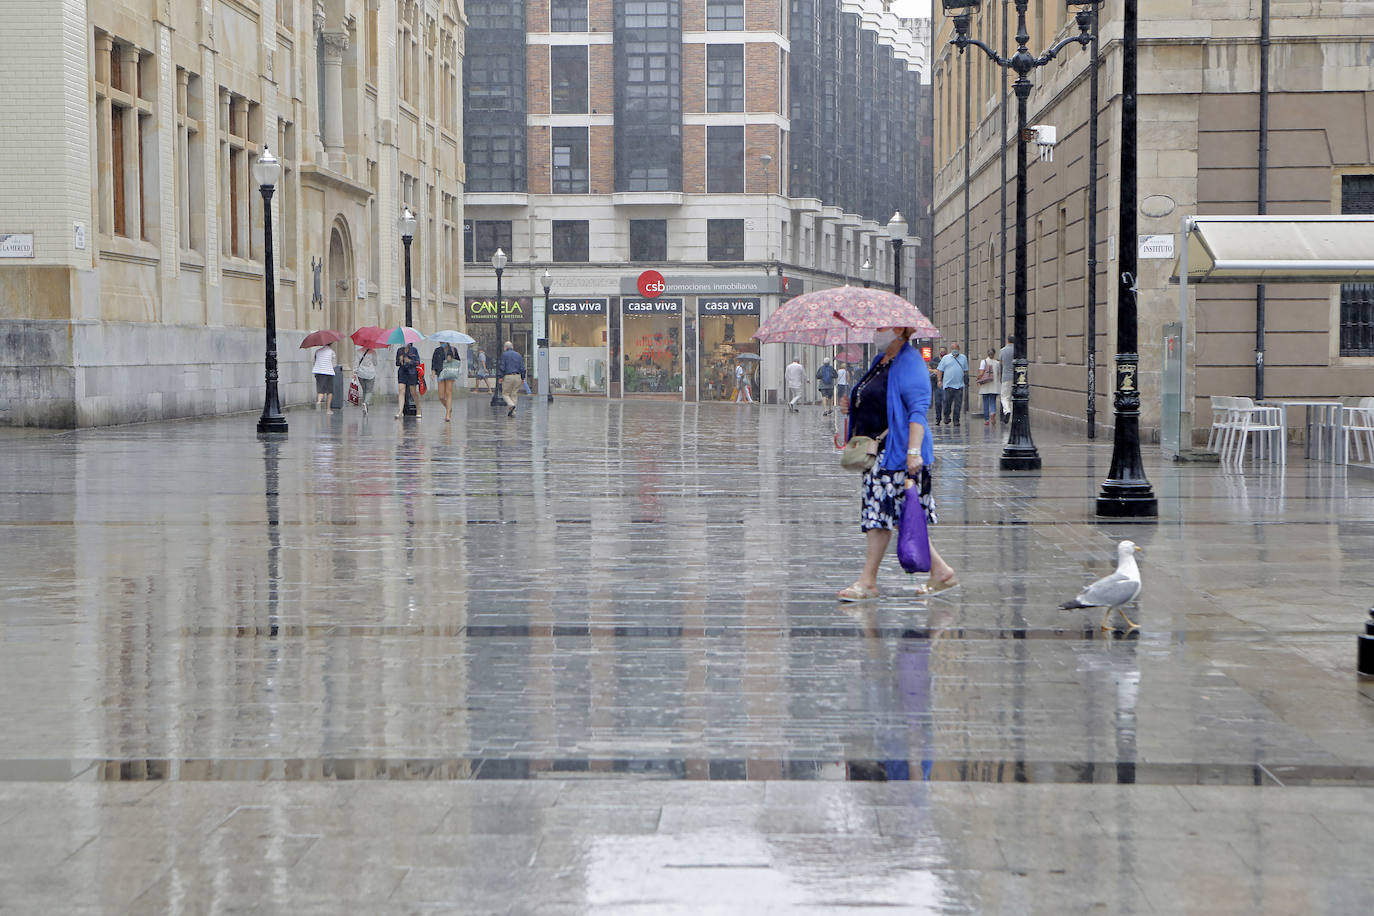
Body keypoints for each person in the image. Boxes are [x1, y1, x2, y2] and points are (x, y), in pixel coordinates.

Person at [837, 327, 958, 601]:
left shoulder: (910, 360)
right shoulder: (880, 360)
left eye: (882, 328)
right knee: (899, 517)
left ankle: (868, 581)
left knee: (883, 518)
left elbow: (918, 409)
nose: (876, 332)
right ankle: (941, 572)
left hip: (899, 455)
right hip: (879, 456)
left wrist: (913, 452)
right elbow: (876, 399)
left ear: (900, 331)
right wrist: (852, 404)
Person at [937, 343, 969, 425]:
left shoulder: (963, 358)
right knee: (947, 403)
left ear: (959, 349)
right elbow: (940, 370)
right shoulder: (946, 358)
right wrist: (939, 380)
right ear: (951, 349)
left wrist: (966, 377)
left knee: (958, 404)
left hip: (959, 385)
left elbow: (965, 370)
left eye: (956, 348)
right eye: (953, 348)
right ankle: (946, 416)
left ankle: (956, 420)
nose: (955, 350)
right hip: (948, 385)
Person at [432, 341, 461, 423]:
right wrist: (433, 372)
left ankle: (448, 414)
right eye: (440, 341)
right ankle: (449, 408)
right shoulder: (437, 350)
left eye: (443, 341)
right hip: (440, 373)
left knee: (448, 392)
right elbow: (434, 361)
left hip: (450, 372)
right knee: (441, 396)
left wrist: (451, 359)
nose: (441, 343)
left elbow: (458, 361)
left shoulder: (453, 349)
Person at [498, 340, 525, 417]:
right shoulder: (518, 355)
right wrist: (523, 377)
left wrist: (500, 377)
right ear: (512, 347)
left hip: (508, 376)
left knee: (505, 394)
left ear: (505, 347)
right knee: (514, 394)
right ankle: (513, 412)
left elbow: (502, 366)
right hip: (518, 376)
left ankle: (511, 405)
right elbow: (522, 367)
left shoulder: (504, 355)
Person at [395, 340, 421, 419]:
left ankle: (418, 409)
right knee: (401, 390)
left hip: (412, 373)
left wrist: (409, 361)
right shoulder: (400, 350)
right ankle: (400, 411)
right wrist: (400, 360)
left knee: (413, 392)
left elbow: (417, 362)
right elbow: (397, 363)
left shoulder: (414, 350)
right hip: (402, 372)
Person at [977, 347, 1000, 426]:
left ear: (987, 354)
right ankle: (993, 412)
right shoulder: (997, 363)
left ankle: (986, 420)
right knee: (992, 401)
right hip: (994, 385)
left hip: (985, 385)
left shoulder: (983, 362)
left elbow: (981, 373)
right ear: (994, 354)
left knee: (985, 402)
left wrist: (978, 379)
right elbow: (998, 374)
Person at [312, 342, 338, 410]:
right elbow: (334, 364)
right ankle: (328, 409)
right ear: (331, 344)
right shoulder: (332, 352)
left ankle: (319, 401)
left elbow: (314, 362)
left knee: (320, 389)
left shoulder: (317, 351)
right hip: (328, 372)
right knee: (329, 391)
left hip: (318, 372)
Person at [354, 347, 378, 413]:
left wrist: (355, 372)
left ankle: (365, 407)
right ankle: (366, 403)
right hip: (370, 373)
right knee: (369, 390)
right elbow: (375, 363)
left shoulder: (358, 351)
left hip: (361, 373)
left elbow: (356, 362)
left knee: (364, 390)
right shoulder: (373, 352)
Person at [998, 335, 1015, 423]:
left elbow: (1000, 363)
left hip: (1005, 376)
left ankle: (1007, 411)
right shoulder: (1016, 351)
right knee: (1012, 397)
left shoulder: (1002, 351)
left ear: (1007, 340)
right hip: (1015, 377)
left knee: (1004, 397)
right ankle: (1011, 416)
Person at [929, 346, 947, 424]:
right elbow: (929, 368)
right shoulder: (934, 360)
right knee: (938, 401)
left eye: (944, 351)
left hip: (946, 382)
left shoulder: (948, 359)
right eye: (941, 351)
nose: (942, 352)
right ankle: (938, 418)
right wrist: (934, 370)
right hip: (936, 383)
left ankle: (946, 417)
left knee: (945, 400)